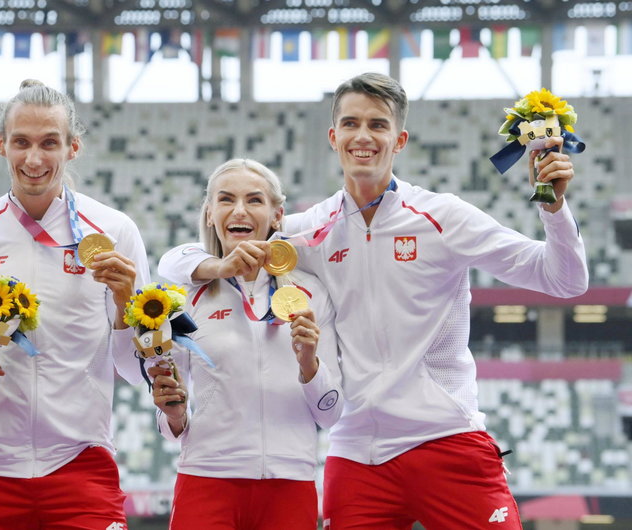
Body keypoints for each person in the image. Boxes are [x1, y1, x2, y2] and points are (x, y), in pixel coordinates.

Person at [158, 73, 588, 529]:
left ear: (399, 139)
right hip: (356, 454)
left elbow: (563, 280)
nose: (363, 136)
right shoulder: (308, 230)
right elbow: (178, 259)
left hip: (444, 437)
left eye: (378, 125)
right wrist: (215, 268)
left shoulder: (443, 216)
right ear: (334, 136)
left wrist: (554, 209)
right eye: (351, 123)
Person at [0, 79, 150, 529]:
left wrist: (125, 301)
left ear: (73, 147)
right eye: (21, 142)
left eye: (49, 143)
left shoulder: (115, 232)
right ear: (1, 145)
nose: (34, 159)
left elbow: (137, 370)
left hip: (80, 460)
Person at [148, 158, 342, 529]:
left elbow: (331, 414)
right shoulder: (185, 294)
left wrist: (309, 365)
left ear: (277, 215)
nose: (239, 210)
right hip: (206, 478)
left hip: (290, 481)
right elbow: (170, 411)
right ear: (209, 214)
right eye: (226, 200)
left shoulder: (311, 292)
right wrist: (172, 413)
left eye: (254, 200)